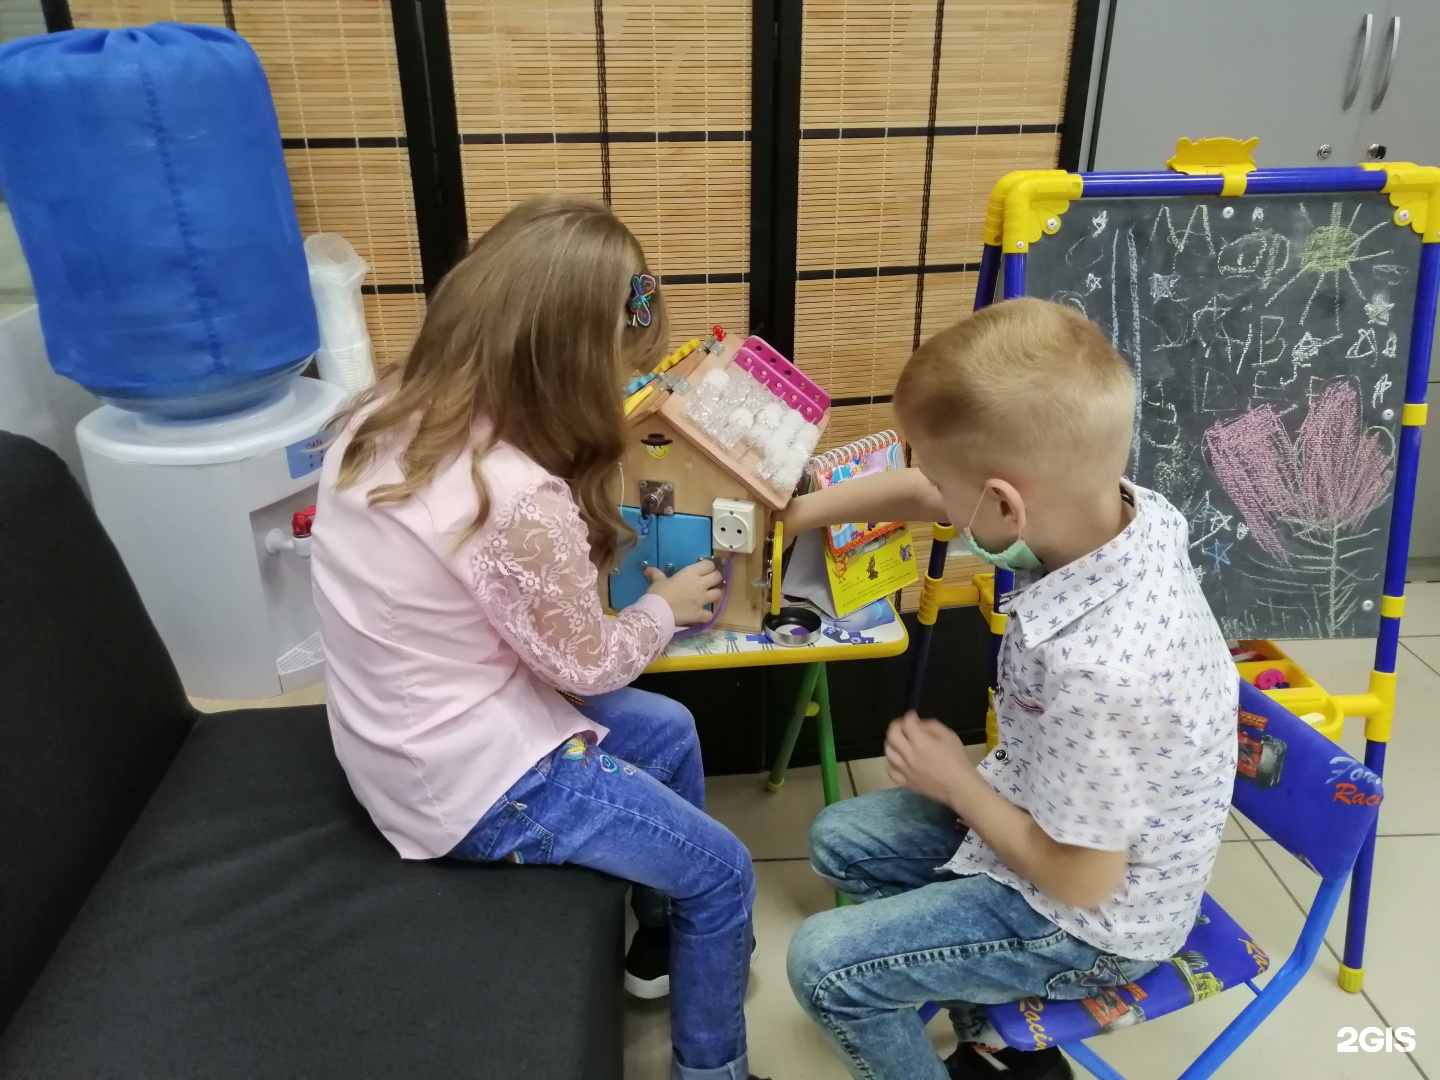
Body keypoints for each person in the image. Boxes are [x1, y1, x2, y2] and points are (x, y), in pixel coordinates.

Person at [311, 194, 771, 1080]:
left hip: (400, 741)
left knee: (671, 730)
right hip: (473, 786)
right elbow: (587, 664)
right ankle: (715, 1068)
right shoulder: (511, 493)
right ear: (568, 370)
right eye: (621, 377)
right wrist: (665, 606)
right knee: (724, 870)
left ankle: (661, 943)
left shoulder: (378, 418)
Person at [779, 298, 1238, 1080]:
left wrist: (955, 782)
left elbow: (1082, 880)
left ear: (1003, 504)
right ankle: (999, 1046)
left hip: (1091, 925)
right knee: (840, 839)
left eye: (941, 478)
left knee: (825, 967)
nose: (934, 494)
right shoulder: (1115, 511)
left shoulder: (1100, 672)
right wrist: (794, 515)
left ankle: (990, 1028)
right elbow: (933, 496)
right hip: (1047, 816)